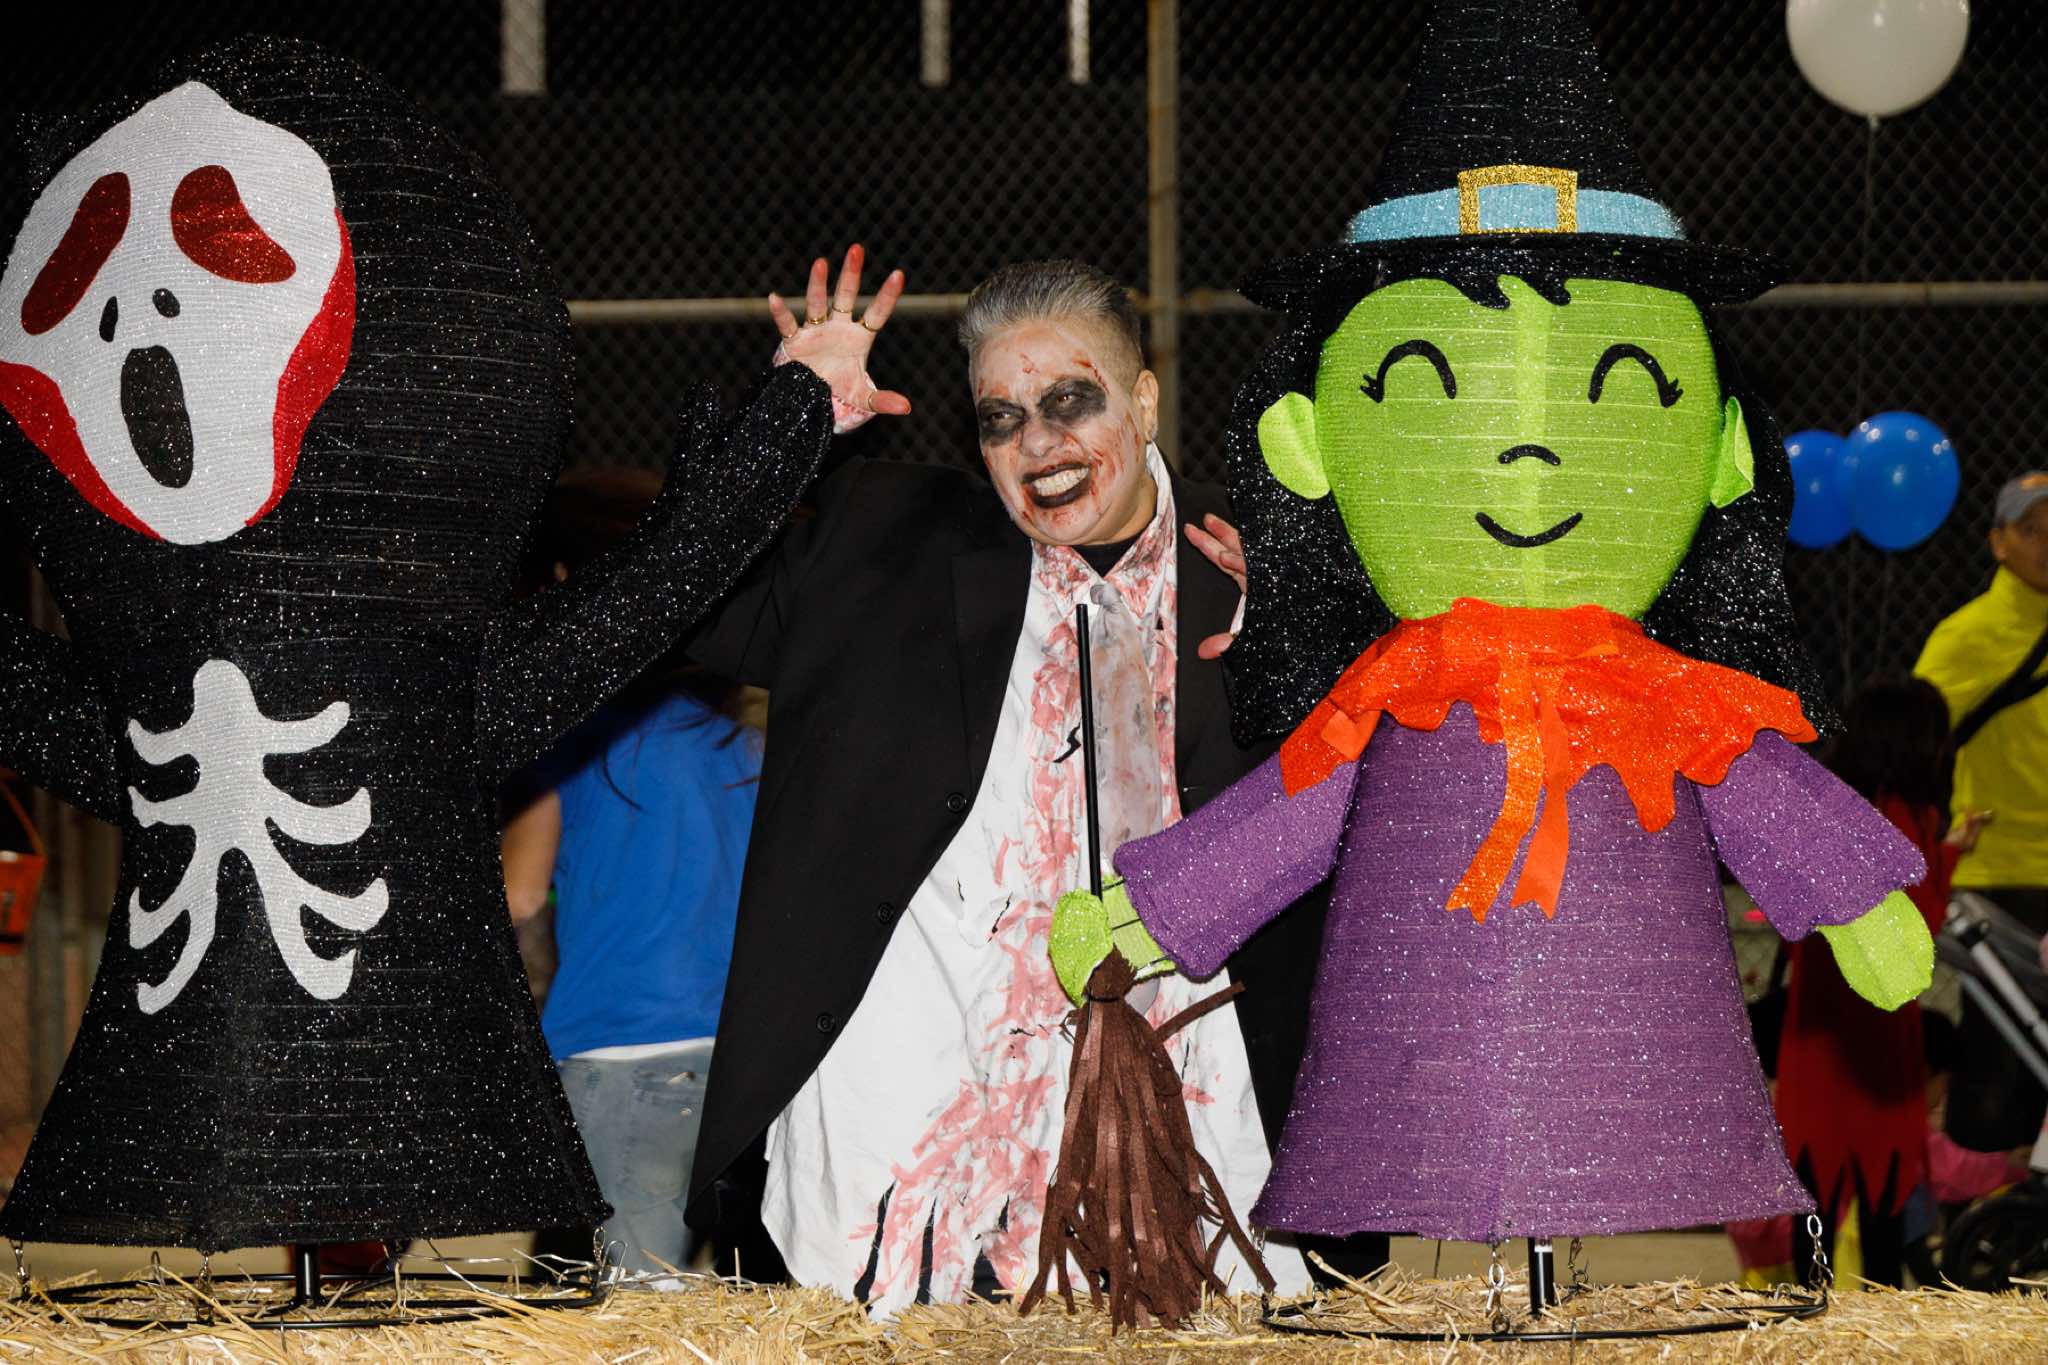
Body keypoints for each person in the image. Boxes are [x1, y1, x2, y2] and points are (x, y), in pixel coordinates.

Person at [684, 254, 1355, 1315]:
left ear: (1142, 400)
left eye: (1070, 401)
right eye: (1001, 419)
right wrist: (785, 434)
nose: (1037, 444)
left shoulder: (1263, 559)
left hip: (1200, 1106)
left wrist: (1315, 648)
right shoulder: (889, 547)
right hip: (918, 1128)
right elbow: (692, 612)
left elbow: (1391, 778)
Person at [502, 471, 768, 1286]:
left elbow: (517, 892)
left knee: (632, 1308)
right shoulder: (745, 736)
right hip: (744, 1065)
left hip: (619, 1051)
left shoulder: (575, 738)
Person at [1777, 678, 1985, 1287]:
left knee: (1816, 1178)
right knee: (1881, 1182)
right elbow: (1919, 921)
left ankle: (1810, 1302)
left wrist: (1946, 849)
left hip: (1819, 1030)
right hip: (1878, 1034)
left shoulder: (1825, 807)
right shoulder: (1908, 815)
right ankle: (1880, 1298)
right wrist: (1946, 853)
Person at [1915, 471, 2048, 1154]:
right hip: (2000, 880)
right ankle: (1985, 1205)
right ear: (1998, 542)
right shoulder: (1966, 636)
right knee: (1999, 1066)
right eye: (2032, 529)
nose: (2047, 542)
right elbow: (1905, 742)